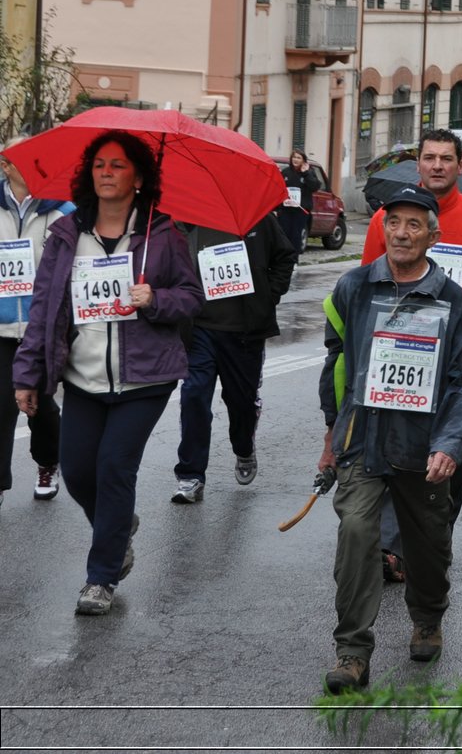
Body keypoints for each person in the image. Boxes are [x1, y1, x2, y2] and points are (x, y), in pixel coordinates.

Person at [13, 132, 203, 616]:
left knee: (115, 466)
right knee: (76, 470)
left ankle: (101, 577)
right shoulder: (67, 235)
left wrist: (155, 300)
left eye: (118, 166)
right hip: (82, 375)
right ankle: (117, 528)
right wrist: (28, 372)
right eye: (99, 164)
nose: (106, 172)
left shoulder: (162, 234)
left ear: (138, 178)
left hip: (145, 379)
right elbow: (44, 309)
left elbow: (191, 297)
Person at [317, 186, 462, 694]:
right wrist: (333, 429)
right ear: (383, 229)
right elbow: (337, 361)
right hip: (363, 439)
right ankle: (352, 651)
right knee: (355, 534)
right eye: (395, 223)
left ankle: (429, 615)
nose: (403, 233)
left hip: (423, 446)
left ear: (433, 236)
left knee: (427, 545)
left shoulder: (452, 301)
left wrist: (450, 444)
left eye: (415, 224)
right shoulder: (353, 287)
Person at [360, 130, 462, 578]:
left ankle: (432, 540)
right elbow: (365, 283)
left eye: (447, 158)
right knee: (391, 450)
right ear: (419, 164)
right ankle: (392, 548)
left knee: (447, 456)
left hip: (457, 362)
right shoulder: (385, 220)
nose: (438, 166)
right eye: (430, 158)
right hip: (397, 354)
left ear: (460, 165)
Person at [170, 213, 297, 503]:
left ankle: (243, 448)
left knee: (241, 402)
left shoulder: (256, 218)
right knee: (193, 396)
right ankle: (190, 475)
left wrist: (268, 296)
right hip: (198, 329)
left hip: (243, 332)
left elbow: (285, 256)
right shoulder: (184, 219)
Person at [0, 140, 73, 506]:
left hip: (40, 327)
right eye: (25, 161)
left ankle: (47, 462)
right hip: (0, 328)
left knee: (40, 407)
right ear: (6, 166)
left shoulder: (61, 210)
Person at [278, 149, 319, 255]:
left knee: (295, 236)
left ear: (303, 160)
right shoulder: (286, 172)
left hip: (300, 210)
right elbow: (278, 190)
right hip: (286, 209)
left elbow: (314, 186)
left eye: (298, 158)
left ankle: (294, 260)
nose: (295, 159)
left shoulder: (309, 173)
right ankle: (284, 260)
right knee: (284, 235)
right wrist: (277, 208)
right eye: (294, 157)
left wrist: (306, 173)